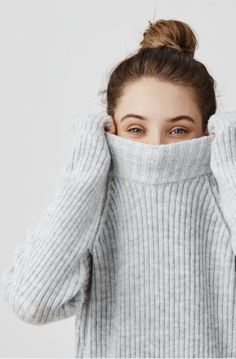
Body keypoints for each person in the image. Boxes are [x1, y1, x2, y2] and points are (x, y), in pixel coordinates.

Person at [2, 18, 236, 358]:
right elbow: (32, 303)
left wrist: (230, 167)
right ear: (110, 129)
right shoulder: (96, 199)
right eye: (136, 129)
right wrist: (83, 175)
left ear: (207, 131)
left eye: (178, 131)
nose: (155, 147)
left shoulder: (223, 194)